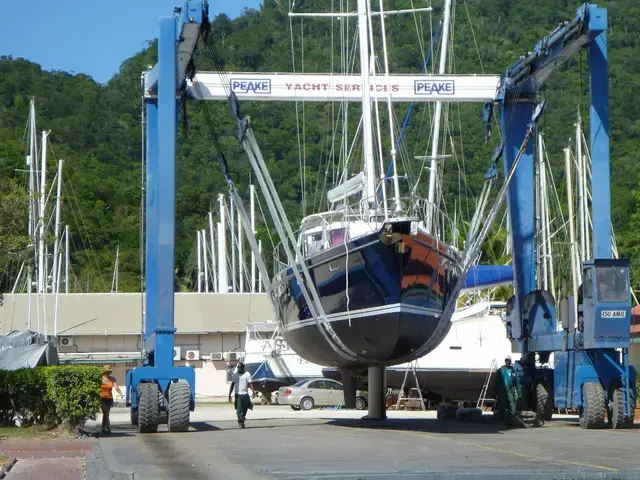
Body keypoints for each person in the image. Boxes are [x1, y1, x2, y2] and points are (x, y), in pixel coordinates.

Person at [228, 361, 253, 429]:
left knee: (245, 409)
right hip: (238, 394)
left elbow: (250, 383)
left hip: (245, 394)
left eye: (240, 368)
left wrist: (253, 392)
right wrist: (229, 394)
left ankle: (242, 421)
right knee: (239, 409)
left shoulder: (247, 374)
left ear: (243, 368)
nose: (239, 369)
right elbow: (232, 385)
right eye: (238, 368)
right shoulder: (235, 375)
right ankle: (240, 422)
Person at [100, 365, 122, 434]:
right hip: (102, 398)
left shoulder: (112, 379)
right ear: (104, 372)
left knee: (105, 413)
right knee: (106, 412)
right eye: (107, 372)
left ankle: (103, 428)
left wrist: (120, 393)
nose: (108, 373)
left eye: (109, 372)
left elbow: (116, 387)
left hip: (109, 398)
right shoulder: (100, 379)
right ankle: (108, 427)